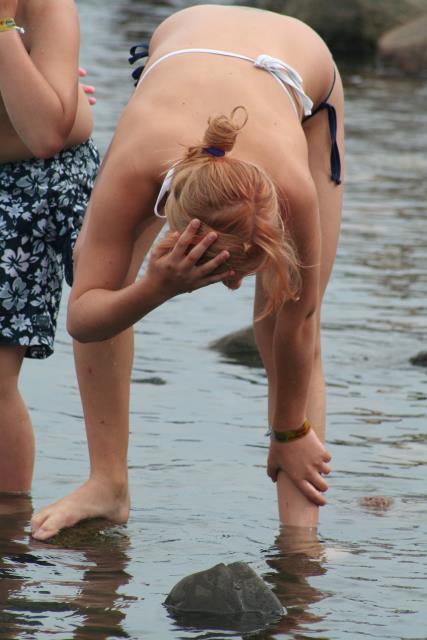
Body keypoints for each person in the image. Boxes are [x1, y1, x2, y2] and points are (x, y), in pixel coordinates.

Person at [31, 3, 343, 538]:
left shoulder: (292, 190)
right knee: (104, 272)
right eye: (224, 272)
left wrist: (289, 431)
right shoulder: (134, 170)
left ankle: (300, 539)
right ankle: (107, 484)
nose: (236, 283)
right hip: (184, 47)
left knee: (284, 314)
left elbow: (301, 321)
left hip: (300, 66)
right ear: (174, 221)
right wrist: (155, 288)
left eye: (241, 270)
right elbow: (83, 317)